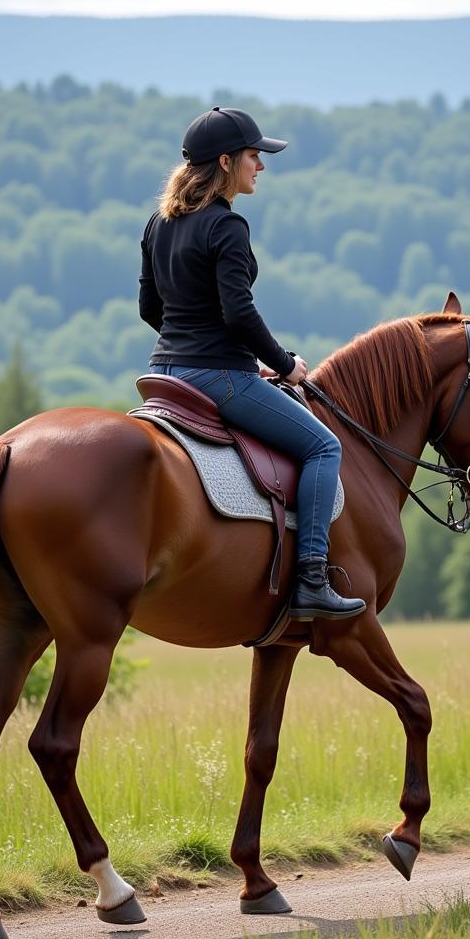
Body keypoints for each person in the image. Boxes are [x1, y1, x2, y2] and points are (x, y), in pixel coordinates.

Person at [138, 106, 365, 621]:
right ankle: (311, 577)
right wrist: (283, 366)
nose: (260, 166)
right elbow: (239, 314)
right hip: (217, 377)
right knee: (324, 447)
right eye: (253, 155)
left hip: (164, 375)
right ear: (225, 162)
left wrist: (202, 349)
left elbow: (150, 309)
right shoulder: (227, 226)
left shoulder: (159, 224)